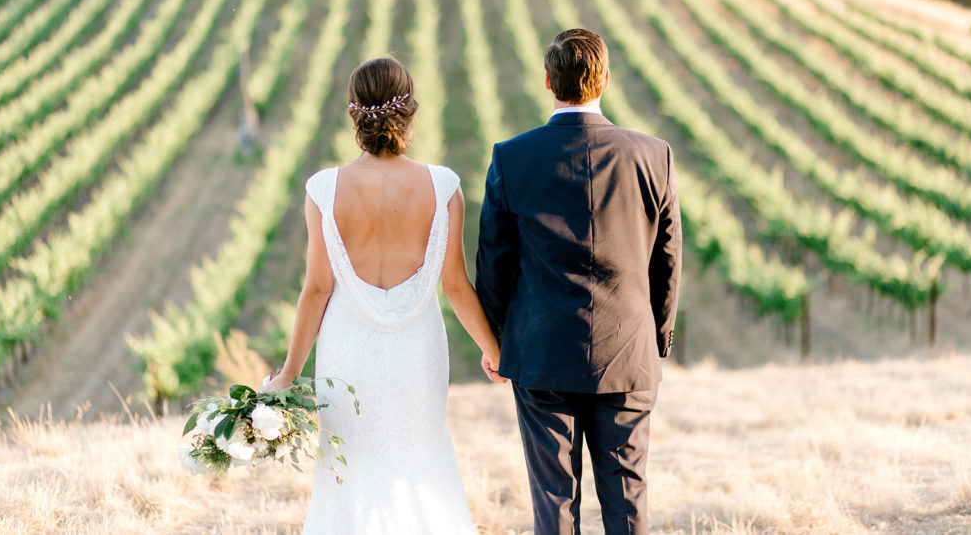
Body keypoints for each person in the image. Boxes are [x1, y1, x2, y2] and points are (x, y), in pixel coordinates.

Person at [260, 56, 505, 534]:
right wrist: (495, 351)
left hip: (346, 353)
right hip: (418, 351)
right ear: (409, 109)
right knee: (421, 459)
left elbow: (316, 290)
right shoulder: (443, 186)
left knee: (349, 467)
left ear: (354, 113)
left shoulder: (324, 190)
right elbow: (454, 284)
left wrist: (288, 373)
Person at [475, 28, 683, 534]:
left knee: (554, 504)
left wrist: (499, 343)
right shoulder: (653, 155)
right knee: (628, 502)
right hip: (628, 351)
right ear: (605, 79)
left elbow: (494, 262)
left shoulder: (511, 157)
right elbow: (668, 258)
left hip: (541, 354)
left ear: (548, 81)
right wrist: (655, 338)